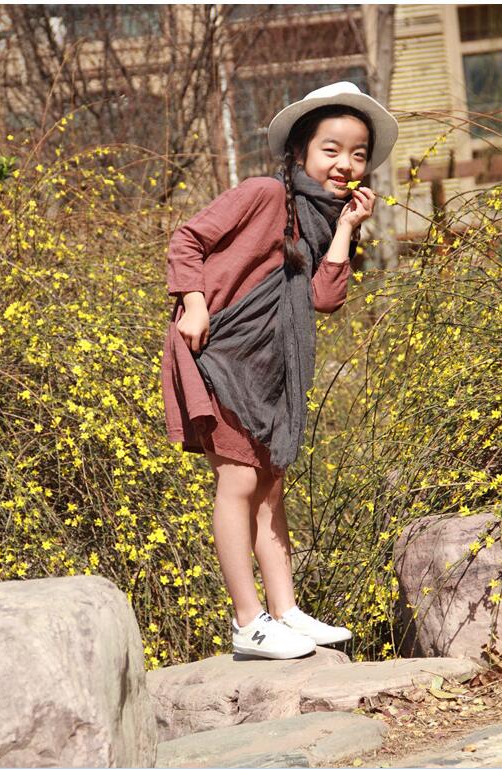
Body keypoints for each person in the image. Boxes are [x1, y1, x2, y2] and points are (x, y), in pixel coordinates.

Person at [161, 82, 399, 660]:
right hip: (220, 352)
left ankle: (285, 610)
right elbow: (187, 238)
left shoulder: (323, 219)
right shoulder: (265, 192)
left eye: (358, 154)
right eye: (331, 149)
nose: (345, 164)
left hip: (271, 369)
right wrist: (194, 302)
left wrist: (347, 229)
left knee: (270, 488)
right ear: (299, 152)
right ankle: (248, 622)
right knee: (239, 482)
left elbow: (323, 298)